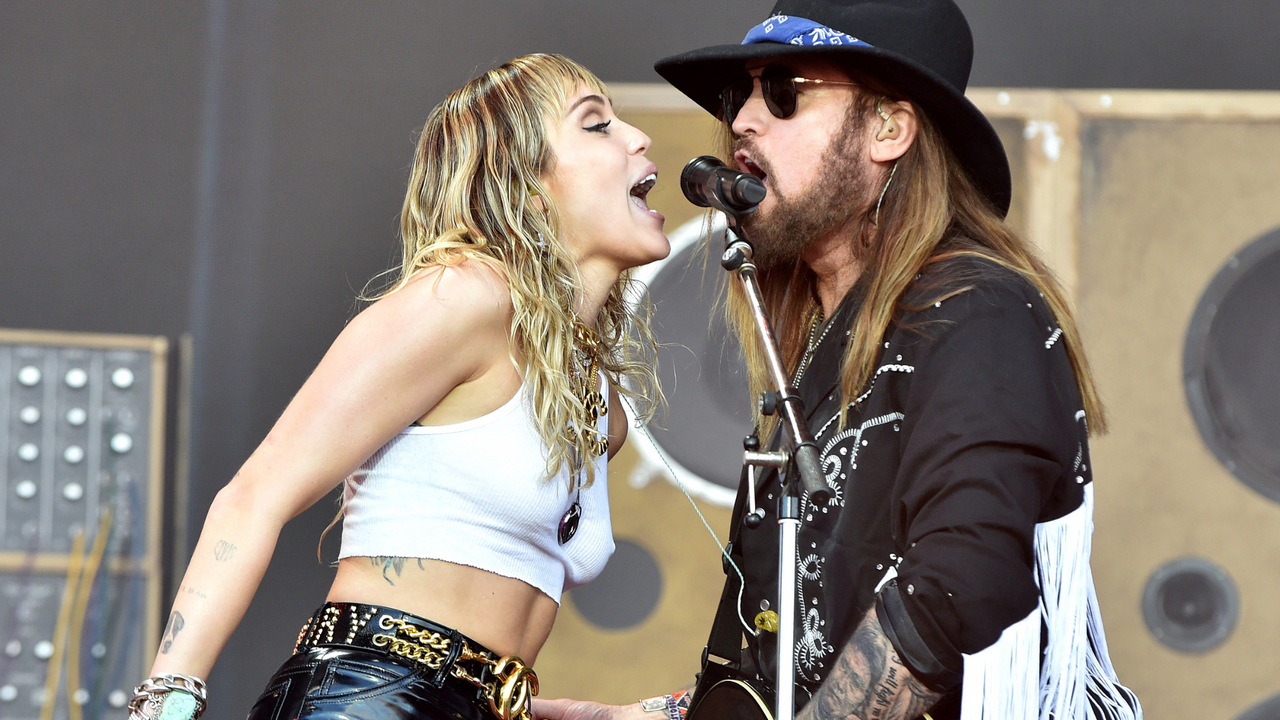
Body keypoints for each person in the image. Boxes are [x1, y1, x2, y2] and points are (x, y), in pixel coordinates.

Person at [535, 2, 1142, 719]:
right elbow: (790, 647)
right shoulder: (821, 341)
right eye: (742, 96)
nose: (742, 123)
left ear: (889, 128)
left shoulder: (977, 309)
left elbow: (959, 585)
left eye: (785, 92)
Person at [127, 53, 670, 720]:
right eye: (596, 125)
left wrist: (600, 716)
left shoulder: (598, 408)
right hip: (363, 701)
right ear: (526, 184)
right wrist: (167, 704)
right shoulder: (461, 299)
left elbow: (461, 662)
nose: (638, 138)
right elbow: (253, 497)